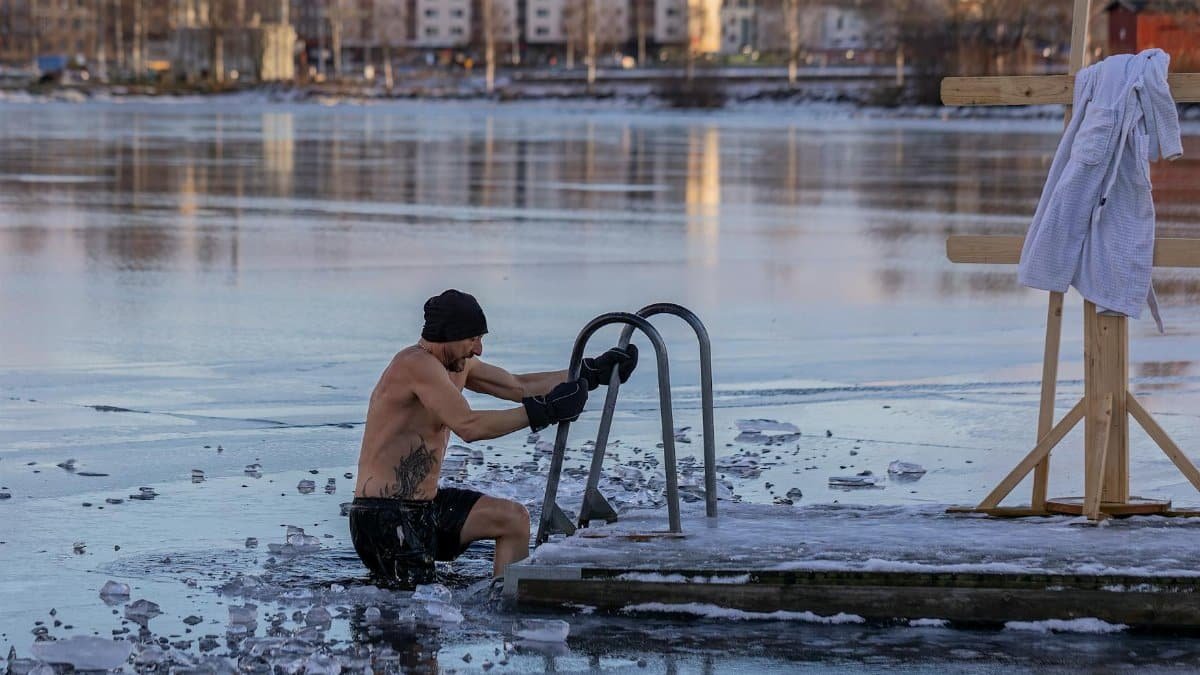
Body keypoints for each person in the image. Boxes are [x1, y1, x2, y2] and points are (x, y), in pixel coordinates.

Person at [350, 289, 638, 588]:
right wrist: (545, 412)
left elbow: (519, 386)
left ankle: (505, 603)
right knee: (421, 608)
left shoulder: (458, 365)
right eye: (472, 339)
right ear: (448, 334)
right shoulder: (414, 364)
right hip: (382, 516)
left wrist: (589, 373)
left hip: (427, 507)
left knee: (512, 519)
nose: (478, 349)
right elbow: (469, 425)